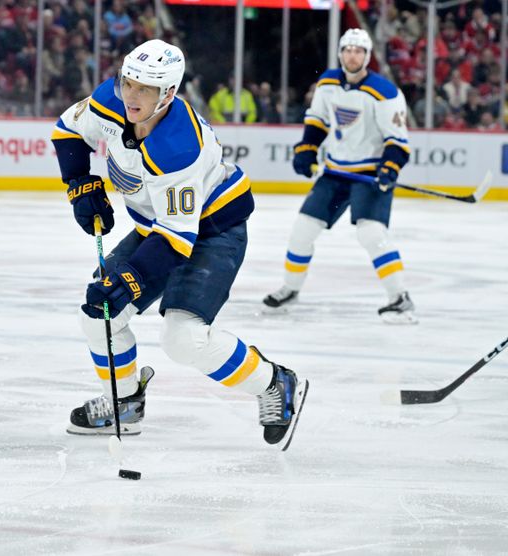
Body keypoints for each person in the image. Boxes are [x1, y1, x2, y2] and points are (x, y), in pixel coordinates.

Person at [50, 40, 308, 450]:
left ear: (167, 94)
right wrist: (79, 183)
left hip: (212, 230)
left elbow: (176, 239)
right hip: (161, 227)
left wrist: (129, 281)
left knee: (183, 339)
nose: (131, 95)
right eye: (128, 82)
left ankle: (275, 382)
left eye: (144, 90)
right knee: (99, 315)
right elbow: (66, 129)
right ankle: (125, 405)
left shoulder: (178, 148)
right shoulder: (109, 101)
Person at [263, 29, 415, 324]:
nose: (352, 55)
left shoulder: (385, 93)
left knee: (371, 234)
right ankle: (291, 290)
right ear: (340, 53)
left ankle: (400, 298)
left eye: (359, 50)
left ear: (367, 56)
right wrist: (307, 149)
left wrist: (389, 167)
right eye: (347, 49)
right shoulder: (328, 83)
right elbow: (317, 120)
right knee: (302, 230)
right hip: (335, 172)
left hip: (369, 174)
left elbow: (398, 142)